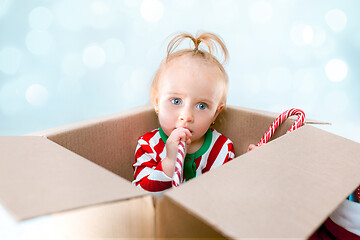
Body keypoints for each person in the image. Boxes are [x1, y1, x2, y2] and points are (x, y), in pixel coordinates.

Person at [132, 32, 235, 196]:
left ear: (215, 114)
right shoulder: (148, 145)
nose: (186, 116)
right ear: (157, 102)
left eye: (201, 105)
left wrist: (249, 166)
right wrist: (170, 162)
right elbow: (140, 194)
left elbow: (230, 193)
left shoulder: (222, 148)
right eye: (176, 101)